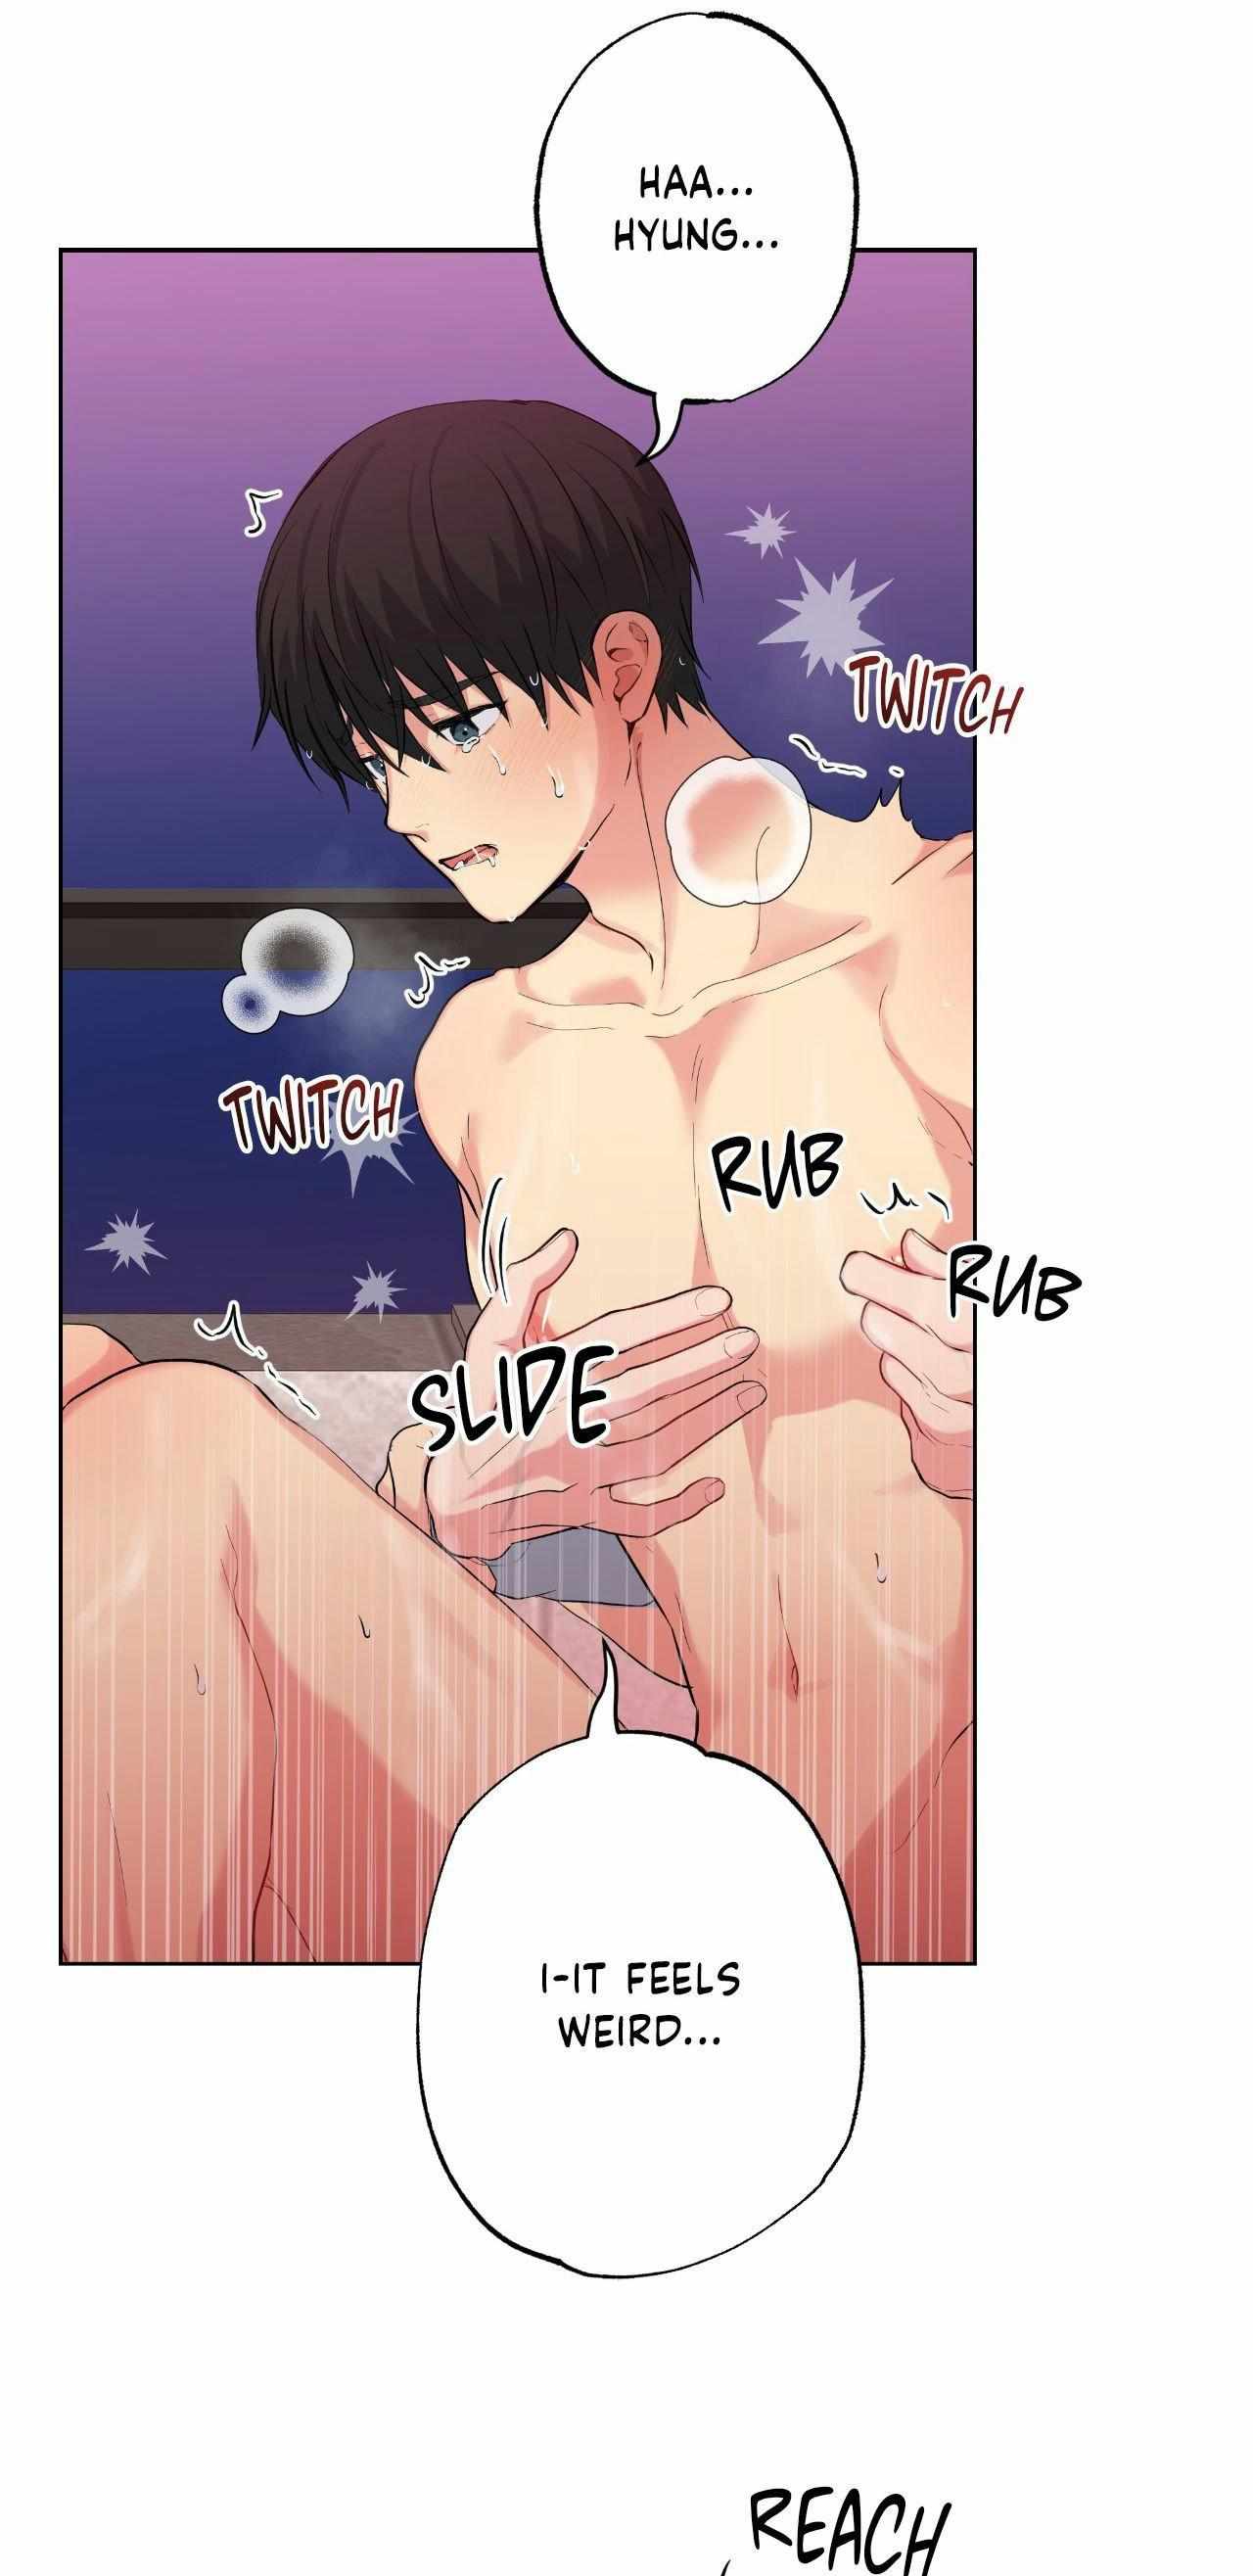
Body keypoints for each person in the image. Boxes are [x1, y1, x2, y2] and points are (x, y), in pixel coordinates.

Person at [257, 399, 974, 1961]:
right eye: (372, 760)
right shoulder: (480, 1061)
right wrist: (446, 1490)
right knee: (154, 1460)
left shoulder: (940, 937)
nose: (405, 808)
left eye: (442, 730)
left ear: (624, 668)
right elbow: (533, 1474)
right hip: (659, 1824)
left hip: (979, 1808)